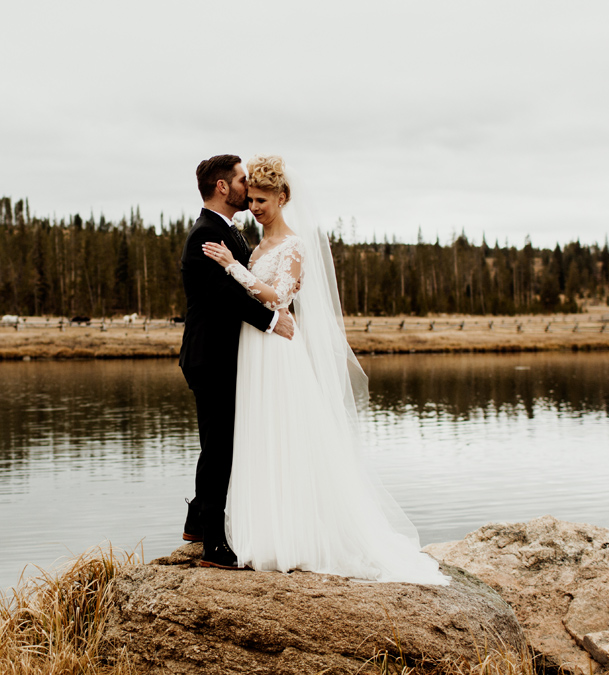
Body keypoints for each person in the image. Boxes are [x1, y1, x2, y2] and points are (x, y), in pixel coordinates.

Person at [200, 156, 448, 584]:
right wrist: (238, 263)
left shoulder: (295, 246)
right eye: (251, 198)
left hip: (278, 351)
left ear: (282, 197)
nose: (254, 206)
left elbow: (278, 299)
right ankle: (262, 531)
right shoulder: (257, 246)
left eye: (262, 199)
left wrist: (231, 267)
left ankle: (297, 535)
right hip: (254, 350)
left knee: (287, 435)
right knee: (260, 435)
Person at [179, 154, 296, 570]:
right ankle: (213, 544)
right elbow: (223, 296)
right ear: (223, 187)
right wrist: (271, 321)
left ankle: (197, 521)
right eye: (243, 180)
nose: (249, 187)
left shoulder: (229, 232)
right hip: (209, 356)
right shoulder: (204, 236)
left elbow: (248, 284)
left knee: (219, 441)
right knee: (219, 445)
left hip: (228, 355)